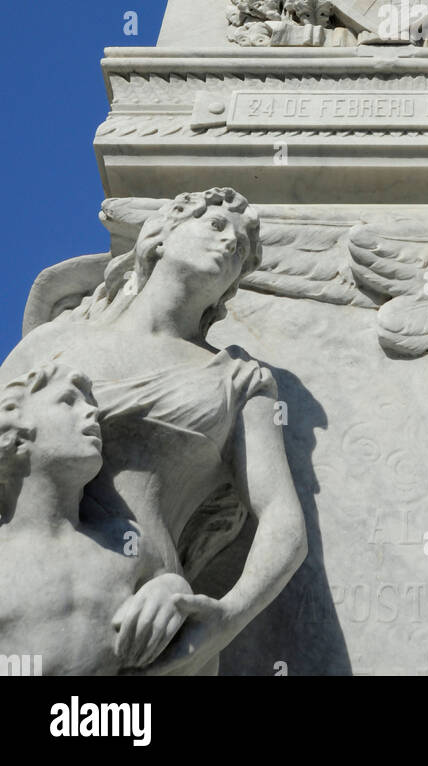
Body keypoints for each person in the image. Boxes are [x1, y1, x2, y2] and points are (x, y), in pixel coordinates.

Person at [0, 187, 307, 677]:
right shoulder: (56, 344)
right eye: (216, 226)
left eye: (244, 250)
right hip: (24, 593)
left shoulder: (240, 381)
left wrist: (227, 615)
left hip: (148, 618)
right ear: (161, 235)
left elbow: (282, 521)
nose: (231, 244)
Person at [0, 363, 193, 675]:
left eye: (91, 403)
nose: (91, 412)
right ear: (15, 430)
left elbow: (194, 646)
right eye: (68, 401)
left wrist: (173, 588)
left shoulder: (126, 542)